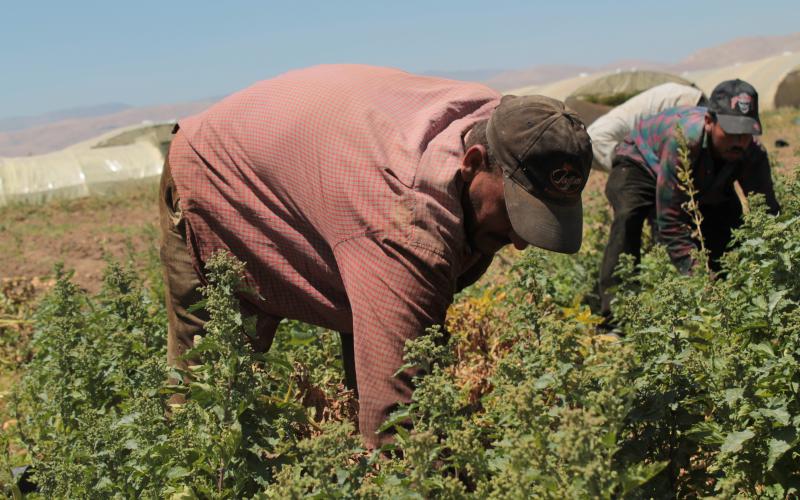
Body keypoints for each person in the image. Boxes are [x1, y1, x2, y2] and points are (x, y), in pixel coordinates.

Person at [159, 64, 593, 447]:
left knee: (391, 324)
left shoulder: (507, 126)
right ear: (472, 162)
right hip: (214, 166)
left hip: (330, 171)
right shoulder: (403, 219)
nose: (519, 242)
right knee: (211, 382)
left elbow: (410, 328)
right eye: (515, 213)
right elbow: (397, 419)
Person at [598, 79, 780, 322]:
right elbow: (671, 221)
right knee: (629, 216)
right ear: (709, 122)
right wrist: (698, 278)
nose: (739, 140)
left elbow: (767, 213)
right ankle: (616, 316)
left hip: (703, 172)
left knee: (728, 227)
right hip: (640, 160)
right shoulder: (683, 142)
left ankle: (730, 304)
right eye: (731, 131)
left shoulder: (751, 152)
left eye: (746, 133)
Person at [588, 82, 706, 172]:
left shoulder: (595, 142)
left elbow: (627, 170)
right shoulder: (596, 135)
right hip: (681, 96)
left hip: (683, 102)